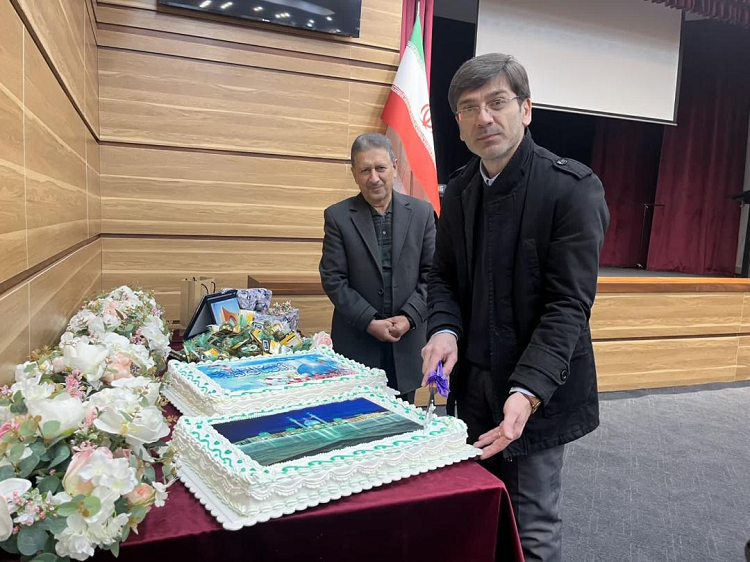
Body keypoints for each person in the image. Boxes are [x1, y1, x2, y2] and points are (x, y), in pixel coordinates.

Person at [421, 53, 609, 561]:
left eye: (497, 102)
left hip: (536, 389)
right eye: (469, 108)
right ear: (458, 123)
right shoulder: (460, 189)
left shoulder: (571, 189)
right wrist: (444, 330)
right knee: (479, 507)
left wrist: (526, 392)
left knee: (531, 526)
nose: (484, 117)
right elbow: (443, 278)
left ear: (525, 110)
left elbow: (568, 306)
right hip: (473, 384)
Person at [319, 133, 436, 403]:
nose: (374, 178)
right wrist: (369, 322)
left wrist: (409, 318)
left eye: (381, 168)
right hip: (357, 342)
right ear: (354, 173)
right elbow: (333, 279)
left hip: (407, 343)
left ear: (394, 167)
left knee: (405, 420)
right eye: (365, 170)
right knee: (355, 419)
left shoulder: (422, 214)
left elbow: (433, 276)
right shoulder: (337, 217)